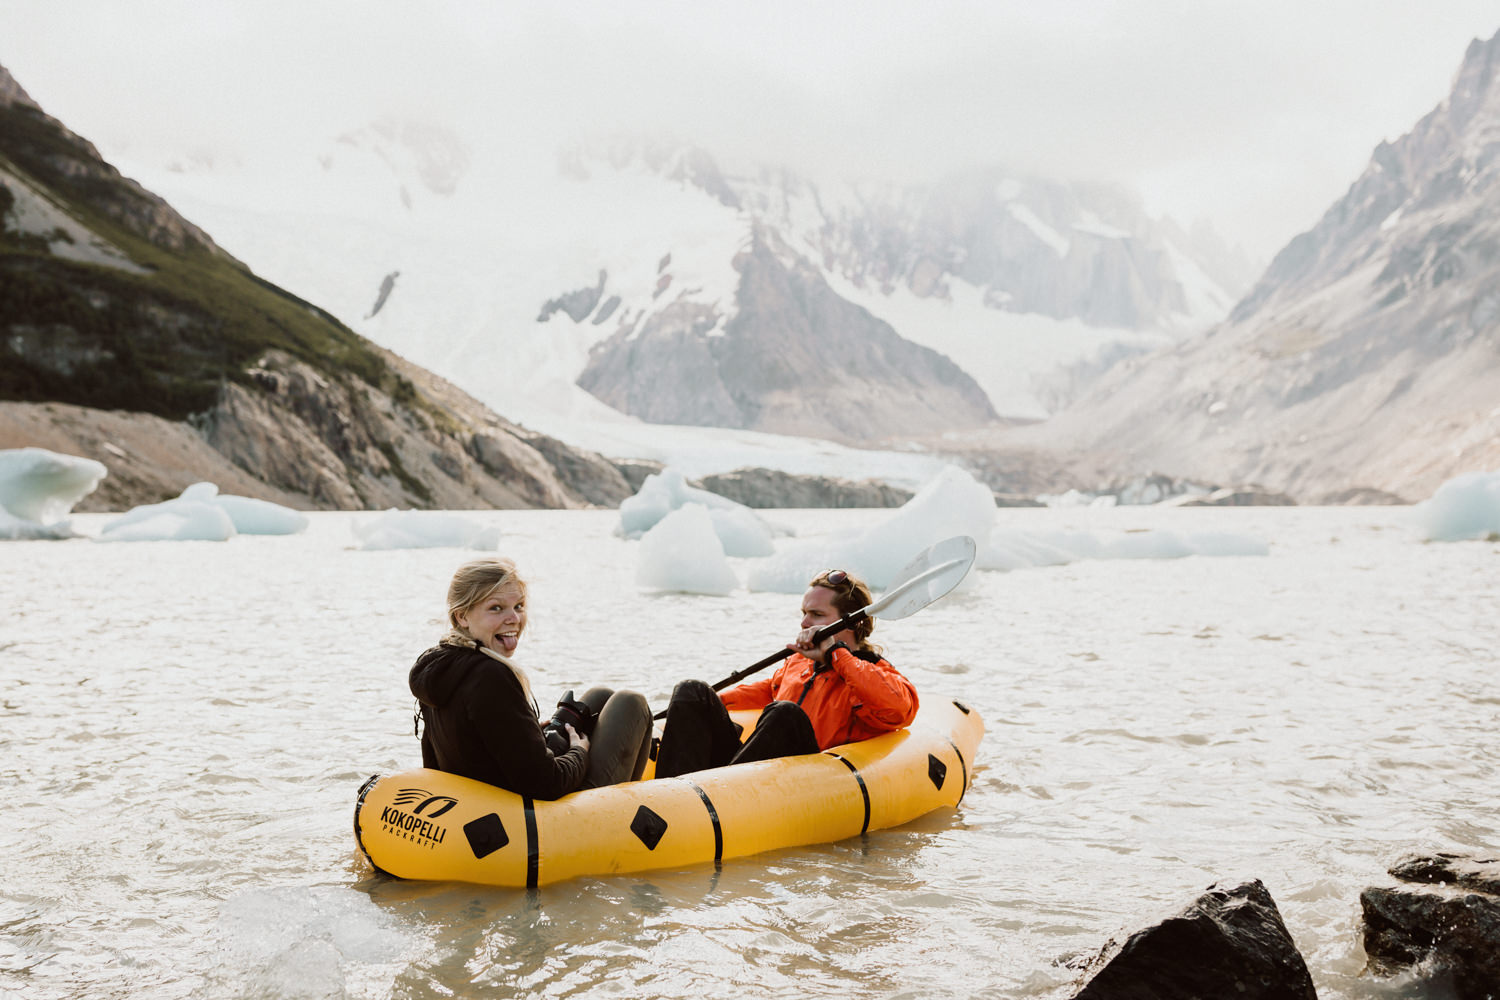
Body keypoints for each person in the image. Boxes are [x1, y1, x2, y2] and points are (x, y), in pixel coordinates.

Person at [409, 557, 653, 798]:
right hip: (538, 820)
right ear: (462, 616)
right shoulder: (490, 676)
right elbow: (546, 784)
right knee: (630, 703)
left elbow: (439, 762)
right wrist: (579, 751)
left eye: (519, 606)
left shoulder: (440, 669)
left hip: (485, 807)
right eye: (496, 608)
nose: (514, 618)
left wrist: (531, 734)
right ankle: (638, 815)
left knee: (600, 697)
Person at [654, 568, 920, 778]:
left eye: (816, 614)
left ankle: (717, 794)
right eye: (804, 613)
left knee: (785, 713)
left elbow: (900, 709)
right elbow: (770, 687)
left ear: (851, 622)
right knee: (693, 690)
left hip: (810, 780)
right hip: (753, 772)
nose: (804, 623)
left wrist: (836, 655)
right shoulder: (799, 663)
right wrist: (710, 705)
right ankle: (672, 797)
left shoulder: (872, 671)